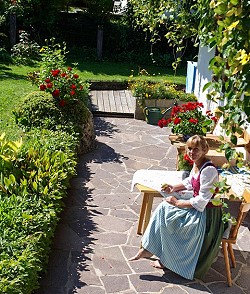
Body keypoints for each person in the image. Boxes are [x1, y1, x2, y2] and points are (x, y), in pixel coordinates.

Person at [128, 135, 225, 280]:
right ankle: (149, 250)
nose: (191, 152)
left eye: (196, 149)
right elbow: (190, 182)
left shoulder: (208, 170)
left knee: (171, 216)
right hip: (199, 208)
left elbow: (202, 200)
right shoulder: (197, 164)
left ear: (204, 150)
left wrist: (177, 202)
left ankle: (165, 259)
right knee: (163, 209)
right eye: (190, 149)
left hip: (206, 214)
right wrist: (174, 187)